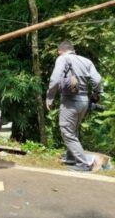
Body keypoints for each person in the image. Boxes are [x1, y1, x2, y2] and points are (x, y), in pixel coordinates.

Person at [46, 41, 103, 172]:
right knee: (73, 130)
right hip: (84, 100)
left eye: (58, 53)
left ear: (60, 51)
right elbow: (97, 79)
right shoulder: (86, 61)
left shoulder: (63, 58)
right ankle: (71, 158)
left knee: (66, 130)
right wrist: (96, 93)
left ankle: (83, 164)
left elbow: (55, 79)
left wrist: (49, 98)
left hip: (70, 100)